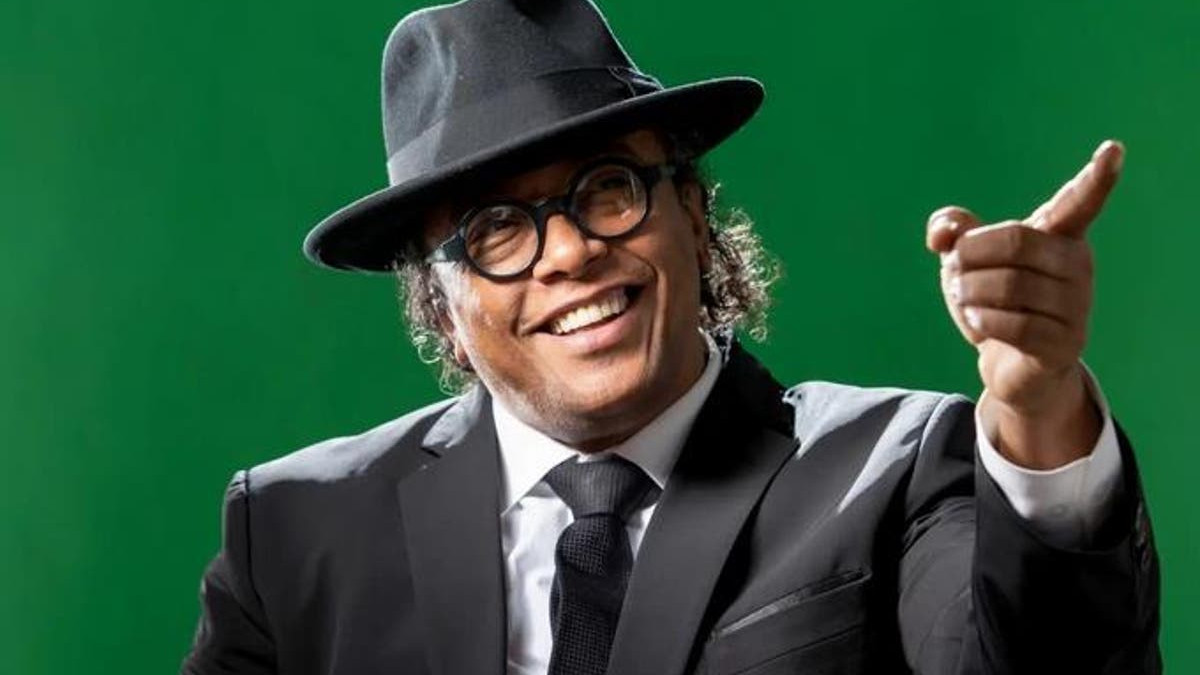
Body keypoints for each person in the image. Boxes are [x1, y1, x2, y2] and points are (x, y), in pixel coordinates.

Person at [182, 0, 1161, 673]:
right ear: (440, 304)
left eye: (608, 187)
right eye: (497, 230)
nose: (570, 251)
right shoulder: (294, 532)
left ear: (692, 212)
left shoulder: (900, 467)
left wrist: (1038, 408)